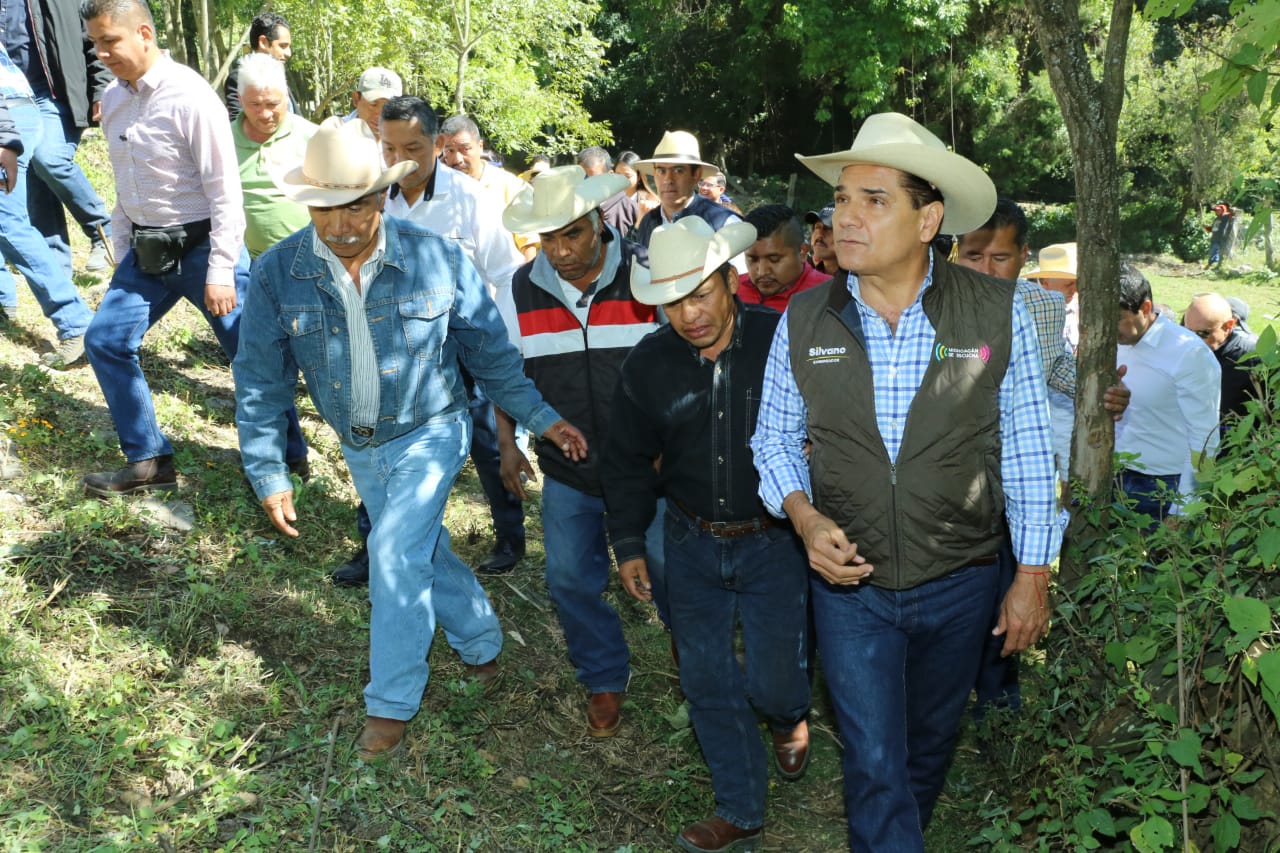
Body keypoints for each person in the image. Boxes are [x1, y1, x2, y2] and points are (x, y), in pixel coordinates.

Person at [751, 112, 1061, 851]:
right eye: (841, 199)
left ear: (928, 219)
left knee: (924, 745)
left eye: (872, 200)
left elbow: (1023, 450)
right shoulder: (804, 318)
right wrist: (802, 516)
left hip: (961, 579)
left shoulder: (997, 311)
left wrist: (1034, 572)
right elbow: (772, 440)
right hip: (850, 583)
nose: (845, 217)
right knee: (875, 760)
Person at [233, 120, 588, 760]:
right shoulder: (275, 273)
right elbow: (260, 378)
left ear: (381, 198)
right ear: (307, 203)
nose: (340, 225)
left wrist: (540, 419)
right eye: (325, 209)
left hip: (433, 427)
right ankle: (481, 639)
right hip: (360, 443)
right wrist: (268, 467)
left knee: (394, 549)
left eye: (357, 207)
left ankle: (391, 702)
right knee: (421, 546)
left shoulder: (436, 257)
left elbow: (492, 355)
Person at [602, 217, 811, 853]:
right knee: (706, 679)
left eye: (701, 294)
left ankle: (787, 714)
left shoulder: (786, 342)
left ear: (731, 281)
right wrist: (632, 543)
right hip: (691, 539)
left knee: (775, 679)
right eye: (673, 302)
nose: (689, 314)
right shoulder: (649, 364)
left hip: (776, 540)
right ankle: (741, 809)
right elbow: (626, 460)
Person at [79, 0, 307, 495]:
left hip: (206, 249)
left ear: (143, 33)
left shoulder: (190, 96)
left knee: (252, 355)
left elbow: (224, 189)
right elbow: (127, 186)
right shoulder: (115, 100)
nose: (99, 53)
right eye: (95, 43)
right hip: (146, 253)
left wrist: (222, 269)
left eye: (107, 41)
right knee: (105, 341)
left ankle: (287, 456)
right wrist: (123, 253)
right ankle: (148, 460)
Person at [317, 94, 529, 584]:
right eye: (388, 148)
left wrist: (491, 347)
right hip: (390, 353)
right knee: (380, 446)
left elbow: (504, 275)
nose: (399, 160)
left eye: (412, 147)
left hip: (463, 350)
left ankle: (510, 535)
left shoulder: (470, 199)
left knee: (487, 444)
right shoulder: (369, 198)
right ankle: (374, 547)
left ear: (436, 143)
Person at [496, 165, 662, 737]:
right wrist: (509, 445)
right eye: (549, 239)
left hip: (650, 470)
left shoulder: (646, 277)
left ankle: (702, 670)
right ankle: (603, 677)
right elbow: (506, 374)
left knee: (670, 571)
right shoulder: (518, 289)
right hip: (568, 467)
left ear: (599, 225)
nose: (561, 252)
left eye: (573, 235)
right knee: (568, 578)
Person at [0, 0, 114, 275]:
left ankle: (103, 230)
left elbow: (96, 36)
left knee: (47, 158)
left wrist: (102, 89)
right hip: (12, 99)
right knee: (30, 174)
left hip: (54, 94)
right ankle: (56, 266)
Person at [0, 41, 94, 367]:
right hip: (15, 109)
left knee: (6, 221)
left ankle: (76, 322)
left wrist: (5, 137)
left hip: (7, 112)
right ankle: (3, 303)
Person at [1116, 265, 1221, 522]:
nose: (1106, 327)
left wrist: (1183, 509)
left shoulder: (1188, 353)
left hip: (1165, 488)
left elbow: (1205, 438)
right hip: (1113, 478)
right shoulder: (1108, 342)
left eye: (1116, 318)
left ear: (1146, 308)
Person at [232, 53, 316, 259]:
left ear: (286, 96)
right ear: (240, 100)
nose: (265, 114)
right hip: (247, 264)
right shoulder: (222, 141)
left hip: (309, 258)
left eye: (272, 104)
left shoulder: (313, 136)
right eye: (255, 105)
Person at [437, 114, 538, 259]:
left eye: (465, 149)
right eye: (450, 151)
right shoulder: (438, 189)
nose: (457, 159)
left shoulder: (509, 185)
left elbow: (529, 242)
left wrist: (524, 279)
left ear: (480, 146)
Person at [633, 130, 740, 247]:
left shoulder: (724, 223)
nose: (668, 179)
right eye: (661, 171)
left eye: (678, 170)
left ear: (696, 174)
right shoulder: (648, 222)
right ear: (654, 173)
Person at [1183, 292, 1259, 423]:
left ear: (1228, 326)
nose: (1193, 340)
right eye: (1187, 331)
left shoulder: (1253, 359)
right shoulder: (1181, 351)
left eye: (1202, 333)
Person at [738, 204, 829, 311]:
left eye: (774, 259)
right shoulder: (732, 289)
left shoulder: (828, 295)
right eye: (752, 259)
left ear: (802, 252)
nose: (762, 271)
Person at [223, 11, 294, 120]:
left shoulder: (277, 74)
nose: (288, 53)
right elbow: (238, 124)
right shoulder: (240, 77)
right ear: (263, 42)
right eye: (283, 46)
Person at [578, 145, 638, 236]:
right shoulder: (573, 208)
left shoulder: (629, 208)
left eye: (595, 180)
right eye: (583, 179)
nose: (588, 185)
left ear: (610, 176)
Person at [345, 67, 400, 140]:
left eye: (388, 107)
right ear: (356, 99)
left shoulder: (404, 137)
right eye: (373, 104)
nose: (380, 114)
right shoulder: (335, 134)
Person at [615, 150, 659, 220]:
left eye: (627, 176)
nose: (621, 180)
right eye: (618, 175)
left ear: (638, 176)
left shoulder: (650, 202)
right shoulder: (608, 200)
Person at [804, 204, 837, 275]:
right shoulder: (802, 274)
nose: (819, 234)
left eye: (828, 228)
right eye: (817, 227)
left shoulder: (858, 281)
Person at [1206, 203, 1235, 269]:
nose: (1216, 211)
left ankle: (1218, 266)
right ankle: (1210, 265)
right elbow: (1213, 229)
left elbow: (1231, 214)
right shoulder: (1216, 219)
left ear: (1222, 210)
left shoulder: (1225, 216)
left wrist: (1232, 209)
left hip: (1221, 239)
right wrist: (1207, 227)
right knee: (1212, 253)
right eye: (1216, 210)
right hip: (1214, 239)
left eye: (1218, 210)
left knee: (1220, 253)